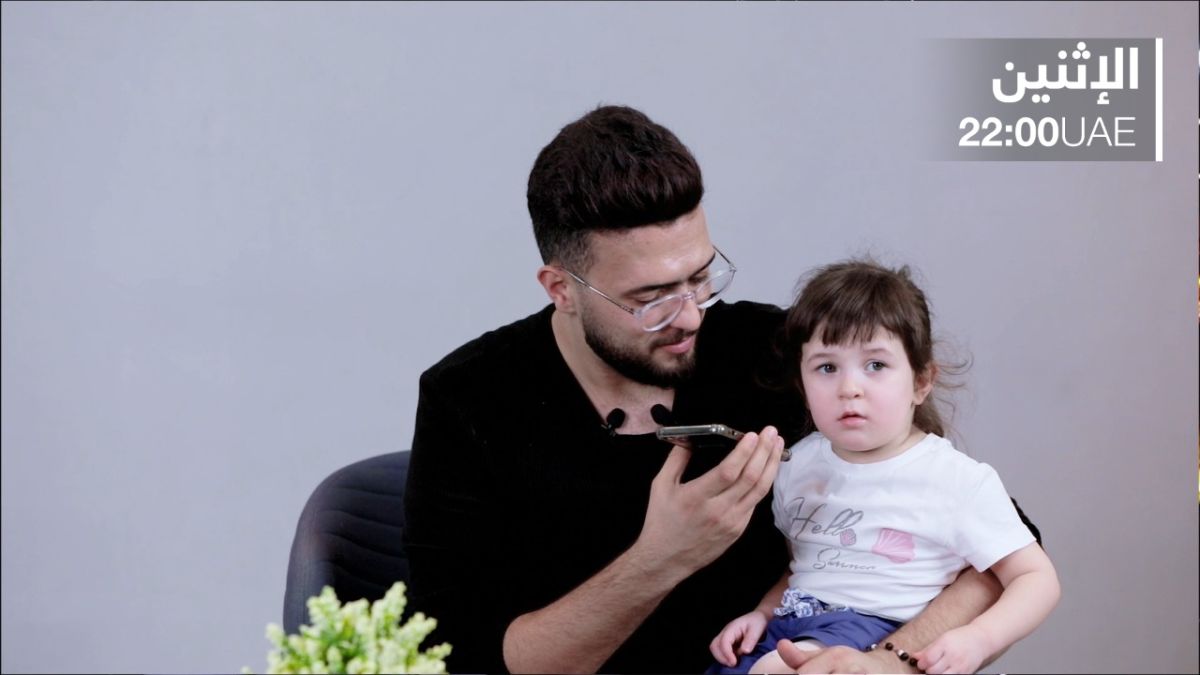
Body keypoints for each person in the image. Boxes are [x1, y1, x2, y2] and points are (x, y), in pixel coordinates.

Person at [402, 104, 1022, 674]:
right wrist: (661, 558)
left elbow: (999, 555)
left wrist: (891, 661)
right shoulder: (470, 399)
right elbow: (472, 656)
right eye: (651, 299)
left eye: (700, 278)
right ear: (561, 289)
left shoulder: (784, 353)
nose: (690, 315)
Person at [709, 260, 1060, 675]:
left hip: (876, 631)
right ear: (802, 384)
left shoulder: (956, 480)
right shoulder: (797, 463)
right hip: (794, 623)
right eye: (827, 368)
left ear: (921, 382)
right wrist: (763, 613)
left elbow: (1036, 578)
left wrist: (979, 637)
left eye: (875, 365)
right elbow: (806, 568)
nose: (849, 388)